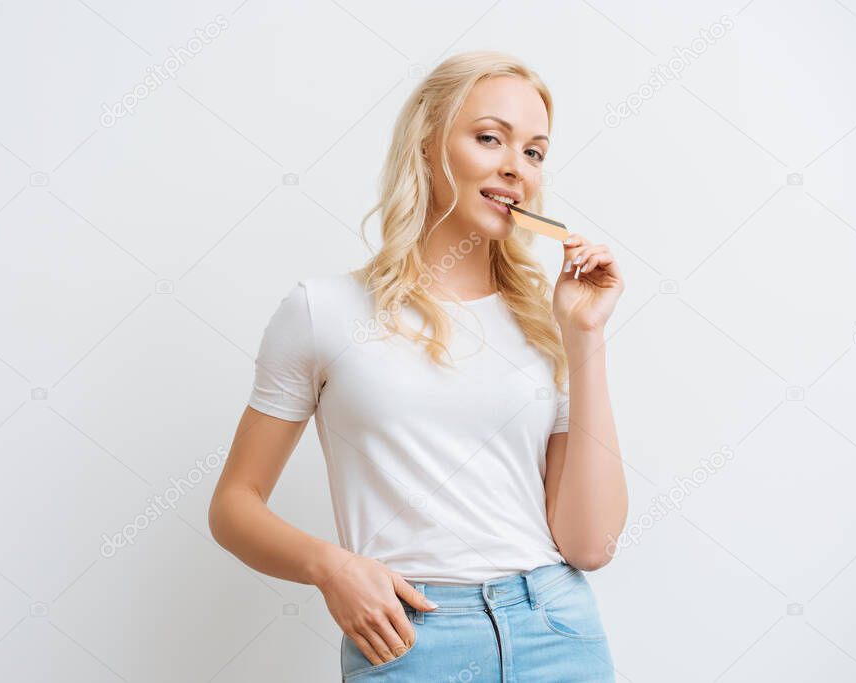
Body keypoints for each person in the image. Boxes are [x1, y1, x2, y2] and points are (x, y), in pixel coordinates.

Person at [209, 50, 628, 682]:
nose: (515, 168)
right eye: (490, 139)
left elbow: (589, 545)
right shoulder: (322, 311)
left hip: (557, 632)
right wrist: (331, 567)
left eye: (535, 152)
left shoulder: (548, 326)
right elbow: (234, 504)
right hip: (410, 638)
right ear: (429, 145)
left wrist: (585, 336)